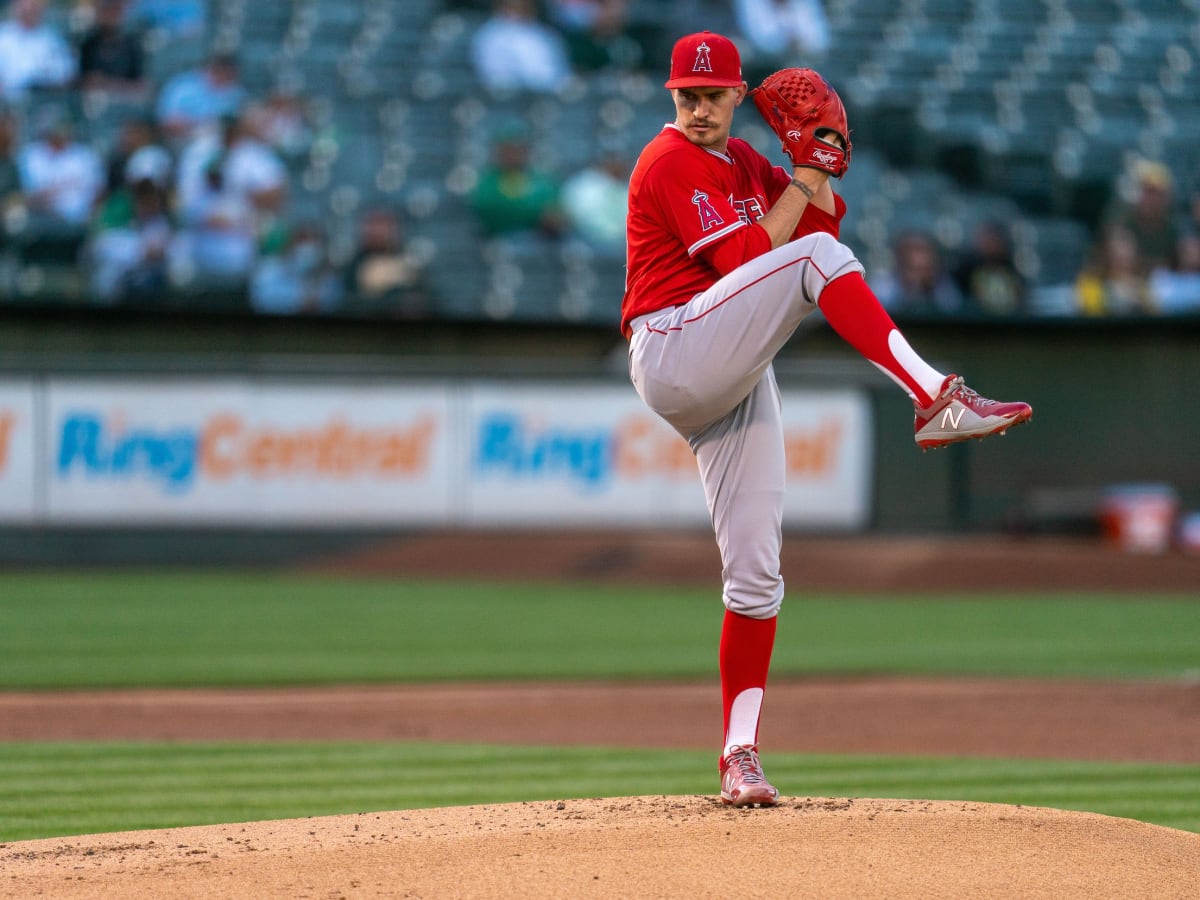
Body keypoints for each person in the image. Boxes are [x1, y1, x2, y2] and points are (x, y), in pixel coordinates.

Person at [622, 32, 1032, 807]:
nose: (699, 107)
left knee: (756, 578)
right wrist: (807, 171)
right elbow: (755, 260)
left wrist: (818, 164)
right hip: (674, 345)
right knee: (817, 267)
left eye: (712, 95)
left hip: (729, 369)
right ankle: (935, 397)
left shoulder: (744, 165)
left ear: (737, 96)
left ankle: (738, 755)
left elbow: (824, 227)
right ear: (671, 97)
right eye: (686, 95)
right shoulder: (670, 160)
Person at [470, 121, 565, 242]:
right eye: (508, 149)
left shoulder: (542, 180)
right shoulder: (487, 182)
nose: (514, 154)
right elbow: (491, 211)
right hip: (502, 240)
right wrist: (535, 214)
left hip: (543, 241)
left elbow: (556, 209)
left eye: (518, 149)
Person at [343, 205, 431, 318]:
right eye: (373, 224)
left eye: (383, 224)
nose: (378, 231)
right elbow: (351, 302)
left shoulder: (410, 261)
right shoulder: (353, 265)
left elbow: (421, 297)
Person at [470, 0, 573, 95]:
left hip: (549, 94)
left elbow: (559, 72)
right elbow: (494, 75)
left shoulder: (545, 34)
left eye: (525, 6)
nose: (521, 10)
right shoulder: (489, 35)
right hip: (508, 97)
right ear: (501, 7)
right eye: (515, 6)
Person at [155, 53, 247, 145]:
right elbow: (169, 122)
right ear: (213, 70)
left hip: (222, 141)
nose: (227, 79)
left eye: (230, 76)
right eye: (224, 74)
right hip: (181, 139)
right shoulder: (183, 86)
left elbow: (238, 122)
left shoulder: (235, 92)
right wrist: (199, 126)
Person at [873, 228, 964, 315]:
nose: (917, 257)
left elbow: (953, 308)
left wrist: (928, 287)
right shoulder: (883, 284)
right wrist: (909, 287)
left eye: (922, 249)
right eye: (911, 249)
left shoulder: (943, 283)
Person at [0, 0, 77, 103]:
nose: (28, 10)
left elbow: (66, 74)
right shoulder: (3, 36)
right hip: (7, 106)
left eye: (33, 6)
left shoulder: (52, 38)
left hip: (43, 104)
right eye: (24, 6)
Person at [1074, 222, 1155, 316]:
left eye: (1127, 245)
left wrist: (1139, 298)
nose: (1122, 253)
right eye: (1116, 246)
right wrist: (1113, 293)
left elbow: (1154, 314)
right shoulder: (1090, 279)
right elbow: (1091, 310)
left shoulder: (1142, 282)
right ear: (1106, 252)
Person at [77, 0, 149, 101]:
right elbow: (83, 82)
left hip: (124, 105)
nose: (110, 16)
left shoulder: (132, 46)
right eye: (106, 10)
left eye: (114, 10)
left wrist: (107, 84)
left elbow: (141, 87)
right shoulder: (88, 45)